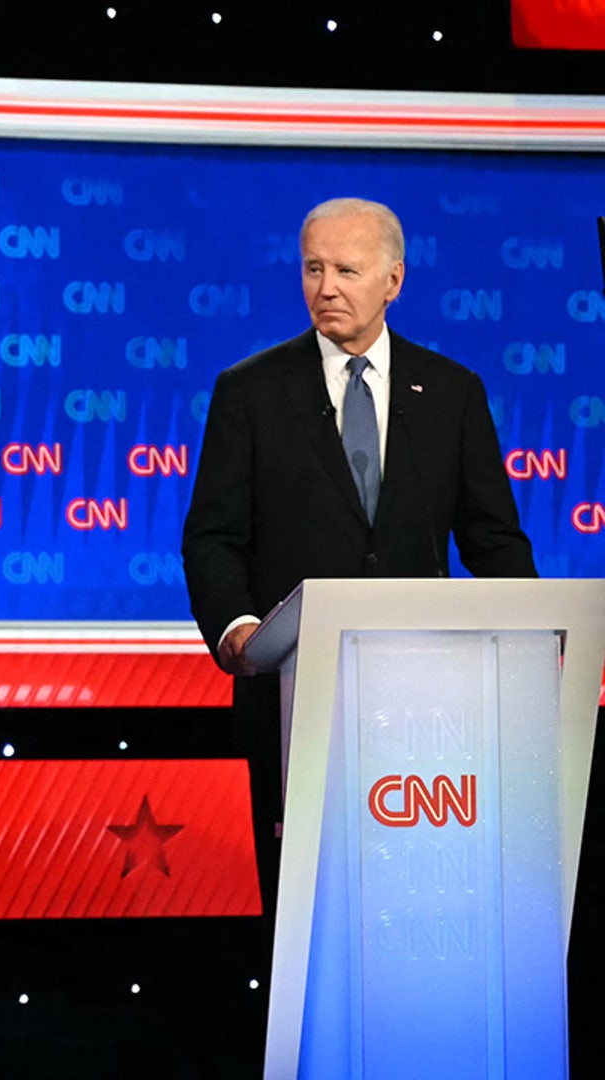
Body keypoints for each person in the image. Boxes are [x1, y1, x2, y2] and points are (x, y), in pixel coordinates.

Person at [181, 196, 536, 921]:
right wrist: (239, 630)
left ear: (394, 281)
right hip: (292, 694)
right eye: (313, 268)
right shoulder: (248, 392)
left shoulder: (451, 393)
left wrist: (530, 643)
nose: (326, 286)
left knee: (415, 900)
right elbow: (213, 537)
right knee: (301, 908)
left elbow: (493, 539)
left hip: (428, 704)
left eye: (347, 268)